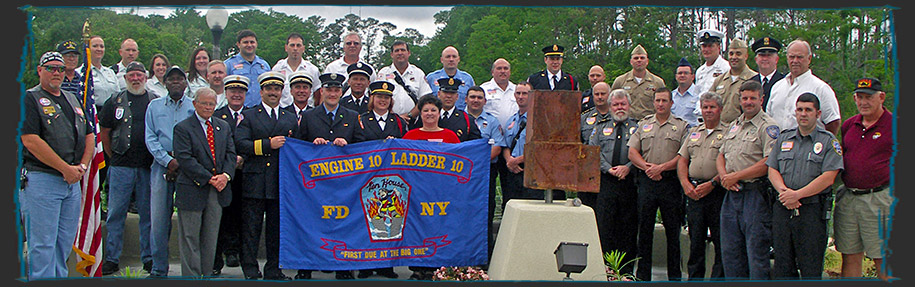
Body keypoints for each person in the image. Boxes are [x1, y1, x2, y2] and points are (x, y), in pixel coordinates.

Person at [20, 51, 94, 279]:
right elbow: (30, 139)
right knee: (42, 246)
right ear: (40, 70)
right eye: (51, 67)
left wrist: (81, 167)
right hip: (43, 180)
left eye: (61, 69)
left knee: (63, 245)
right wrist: (65, 168)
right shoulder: (30, 98)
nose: (57, 72)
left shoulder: (72, 100)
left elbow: (89, 134)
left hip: (71, 183)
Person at [293, 72, 362, 280]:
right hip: (315, 183)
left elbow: (362, 145)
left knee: (343, 223)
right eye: (329, 89)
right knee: (311, 222)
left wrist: (347, 145)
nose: (332, 93)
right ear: (321, 92)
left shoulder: (351, 116)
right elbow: (297, 147)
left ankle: (343, 267)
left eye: (336, 90)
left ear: (342, 92)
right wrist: (311, 147)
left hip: (343, 183)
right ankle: (306, 267)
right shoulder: (308, 116)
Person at [766, 93, 842, 279]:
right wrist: (785, 193)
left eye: (808, 110)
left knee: (810, 267)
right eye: (799, 109)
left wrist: (797, 195)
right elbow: (772, 169)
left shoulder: (828, 141)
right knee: (783, 265)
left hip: (811, 211)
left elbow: (828, 177)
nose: (803, 114)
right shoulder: (784, 138)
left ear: (818, 113)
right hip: (783, 208)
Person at [234, 71, 297, 281]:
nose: (273, 93)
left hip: (280, 181)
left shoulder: (290, 117)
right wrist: (268, 144)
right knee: (251, 229)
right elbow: (240, 143)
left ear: (281, 92)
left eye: (277, 89)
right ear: (261, 92)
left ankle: (273, 269)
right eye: (269, 89)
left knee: (276, 230)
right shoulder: (250, 115)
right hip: (255, 180)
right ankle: (250, 269)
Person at [716, 80, 780, 280]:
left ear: (761, 99)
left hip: (755, 195)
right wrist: (725, 177)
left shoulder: (768, 127)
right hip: (731, 193)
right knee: (731, 253)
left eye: (753, 98)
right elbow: (721, 155)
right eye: (745, 98)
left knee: (756, 254)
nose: (749, 102)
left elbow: (769, 161)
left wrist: (737, 176)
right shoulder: (734, 125)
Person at [98, 61, 156, 275]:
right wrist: (113, 154)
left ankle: (148, 257)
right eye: (131, 75)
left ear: (145, 77)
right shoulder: (114, 101)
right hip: (121, 166)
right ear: (125, 78)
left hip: (147, 167)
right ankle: (112, 258)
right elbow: (105, 130)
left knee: (148, 214)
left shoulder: (154, 101)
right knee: (115, 213)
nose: (135, 78)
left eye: (139, 75)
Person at [172, 88, 237, 277]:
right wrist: (209, 178)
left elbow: (230, 155)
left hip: (218, 189)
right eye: (205, 103)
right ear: (195, 104)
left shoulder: (222, 126)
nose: (208, 107)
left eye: (212, 103)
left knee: (210, 238)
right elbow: (185, 159)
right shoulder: (183, 128)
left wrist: (225, 176)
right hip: (193, 188)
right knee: (190, 237)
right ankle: (192, 277)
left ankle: (206, 275)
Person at [627, 87, 688, 281]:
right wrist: (648, 168)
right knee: (644, 230)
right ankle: (643, 276)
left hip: (670, 183)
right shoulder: (644, 124)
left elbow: (683, 156)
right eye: (657, 101)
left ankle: (675, 277)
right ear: (653, 103)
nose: (660, 104)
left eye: (664, 101)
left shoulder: (681, 126)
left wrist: (661, 168)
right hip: (647, 181)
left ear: (671, 103)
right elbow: (632, 152)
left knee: (672, 231)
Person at [835, 77, 893, 281]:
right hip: (850, 198)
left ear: (881, 97)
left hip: (881, 199)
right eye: (860, 97)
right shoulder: (850, 125)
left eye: (869, 97)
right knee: (849, 256)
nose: (863, 102)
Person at [144, 65, 196, 278]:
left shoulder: (194, 107)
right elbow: (150, 137)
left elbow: (197, 136)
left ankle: (190, 270)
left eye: (179, 79)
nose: (175, 82)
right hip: (161, 166)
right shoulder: (154, 107)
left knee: (188, 220)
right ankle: (158, 268)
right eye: (171, 79)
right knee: (158, 220)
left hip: (188, 167)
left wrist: (181, 161)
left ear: (185, 83)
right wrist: (167, 161)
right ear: (165, 82)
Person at [354, 81, 409, 280]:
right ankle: (366, 264)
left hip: (392, 180)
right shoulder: (360, 119)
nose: (383, 101)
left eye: (386, 98)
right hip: (367, 177)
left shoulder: (399, 121)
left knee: (391, 220)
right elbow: (356, 146)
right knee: (368, 218)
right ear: (372, 99)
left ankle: (387, 264)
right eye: (379, 97)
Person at [582, 86, 639, 276]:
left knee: (628, 228)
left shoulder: (637, 128)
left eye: (623, 104)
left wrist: (627, 167)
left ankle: (626, 273)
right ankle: (605, 271)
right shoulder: (600, 128)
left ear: (629, 105)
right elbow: (593, 152)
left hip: (629, 184)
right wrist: (609, 169)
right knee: (605, 227)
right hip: (607, 182)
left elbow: (642, 153)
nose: (619, 107)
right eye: (616, 104)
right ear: (610, 106)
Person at [676, 91, 727, 280]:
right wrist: (685, 184)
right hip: (694, 193)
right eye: (705, 107)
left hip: (717, 192)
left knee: (720, 242)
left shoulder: (728, 132)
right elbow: (682, 159)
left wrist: (713, 183)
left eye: (712, 107)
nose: (708, 111)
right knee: (695, 242)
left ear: (720, 109)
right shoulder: (694, 132)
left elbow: (729, 163)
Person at [498, 81, 563, 208]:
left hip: (532, 170)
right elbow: (505, 144)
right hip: (512, 170)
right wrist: (509, 161)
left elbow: (543, 148)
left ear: (531, 96)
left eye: (525, 93)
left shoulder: (540, 120)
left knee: (531, 207)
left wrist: (518, 160)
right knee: (510, 207)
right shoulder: (512, 120)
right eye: (518, 93)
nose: (521, 96)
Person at [212, 75, 249, 276]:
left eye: (240, 91)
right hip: (221, 174)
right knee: (221, 216)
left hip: (245, 174)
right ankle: (217, 258)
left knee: (242, 216)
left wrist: (242, 157)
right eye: (233, 91)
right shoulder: (217, 115)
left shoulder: (252, 115)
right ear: (226, 93)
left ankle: (237, 253)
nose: (236, 95)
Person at [766, 39, 841, 135]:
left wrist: (821, 145)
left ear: (809, 59)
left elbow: (833, 122)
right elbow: (769, 119)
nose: (795, 61)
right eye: (792, 57)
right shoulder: (777, 87)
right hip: (778, 146)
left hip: (808, 147)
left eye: (800, 57)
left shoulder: (821, 88)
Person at [465, 85, 504, 266]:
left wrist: (477, 164)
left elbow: (497, 146)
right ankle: (462, 257)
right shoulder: (457, 119)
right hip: (461, 176)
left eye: (479, 97)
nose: (475, 100)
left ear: (485, 101)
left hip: (485, 173)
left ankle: (484, 259)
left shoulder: (492, 121)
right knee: (462, 215)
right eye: (472, 97)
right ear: (466, 99)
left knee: (485, 214)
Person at [376, 40, 433, 117]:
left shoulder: (418, 73)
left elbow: (425, 98)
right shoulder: (383, 73)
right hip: (389, 121)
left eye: (403, 50)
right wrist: (395, 118)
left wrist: (409, 116)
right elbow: (377, 99)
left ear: (409, 53)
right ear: (392, 54)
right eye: (397, 51)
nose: (400, 53)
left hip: (413, 122)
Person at [413, 78, 481, 142]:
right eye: (445, 92)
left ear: (457, 96)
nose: (449, 96)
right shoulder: (427, 116)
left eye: (452, 93)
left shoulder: (466, 120)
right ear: (439, 94)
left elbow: (475, 145)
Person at [708, 38, 758, 124]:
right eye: (731, 54)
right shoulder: (719, 80)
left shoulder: (754, 79)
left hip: (742, 129)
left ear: (746, 56)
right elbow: (709, 103)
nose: (734, 57)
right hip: (720, 129)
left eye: (738, 54)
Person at [611, 44, 666, 120]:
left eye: (642, 58)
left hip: (649, 123)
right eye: (636, 58)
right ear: (631, 61)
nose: (639, 60)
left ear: (647, 61)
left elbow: (664, 105)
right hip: (626, 123)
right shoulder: (620, 81)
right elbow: (611, 103)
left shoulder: (657, 82)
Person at [273, 32, 321, 108]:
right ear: (286, 48)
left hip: (307, 113)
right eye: (292, 45)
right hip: (283, 114)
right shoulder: (277, 69)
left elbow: (318, 95)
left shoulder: (312, 70)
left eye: (298, 45)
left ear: (303, 48)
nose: (295, 48)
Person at [225, 29, 271, 108]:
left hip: (259, 111)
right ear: (238, 44)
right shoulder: (229, 64)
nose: (249, 45)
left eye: (252, 42)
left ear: (256, 44)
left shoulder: (264, 65)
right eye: (245, 42)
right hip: (239, 110)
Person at [426, 46, 475, 111]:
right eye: (448, 57)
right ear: (441, 60)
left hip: (461, 118)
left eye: (454, 56)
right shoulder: (431, 78)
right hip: (438, 118)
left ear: (458, 59)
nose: (451, 59)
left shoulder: (467, 79)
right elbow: (425, 101)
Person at [84, 35, 120, 114]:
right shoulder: (82, 72)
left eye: (102, 46)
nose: (99, 49)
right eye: (95, 46)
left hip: (111, 113)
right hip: (93, 113)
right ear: (88, 49)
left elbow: (118, 94)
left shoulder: (110, 72)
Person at [479, 58, 517, 128]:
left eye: (506, 68)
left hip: (513, 133)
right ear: (492, 72)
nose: (503, 71)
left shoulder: (516, 90)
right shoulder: (483, 89)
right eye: (499, 68)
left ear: (510, 72)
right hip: (490, 133)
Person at [749, 37, 785, 110]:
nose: (765, 59)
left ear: (776, 59)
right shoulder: (750, 83)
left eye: (769, 55)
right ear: (756, 59)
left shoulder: (784, 82)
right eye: (762, 55)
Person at [694, 29, 729, 94]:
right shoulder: (700, 71)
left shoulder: (726, 68)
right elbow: (697, 96)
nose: (707, 49)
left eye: (710, 46)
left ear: (719, 47)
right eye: (704, 46)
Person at [672, 58, 701, 127]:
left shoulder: (700, 95)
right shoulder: (671, 96)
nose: (682, 75)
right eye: (680, 73)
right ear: (676, 76)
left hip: (693, 134)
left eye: (686, 73)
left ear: (693, 76)